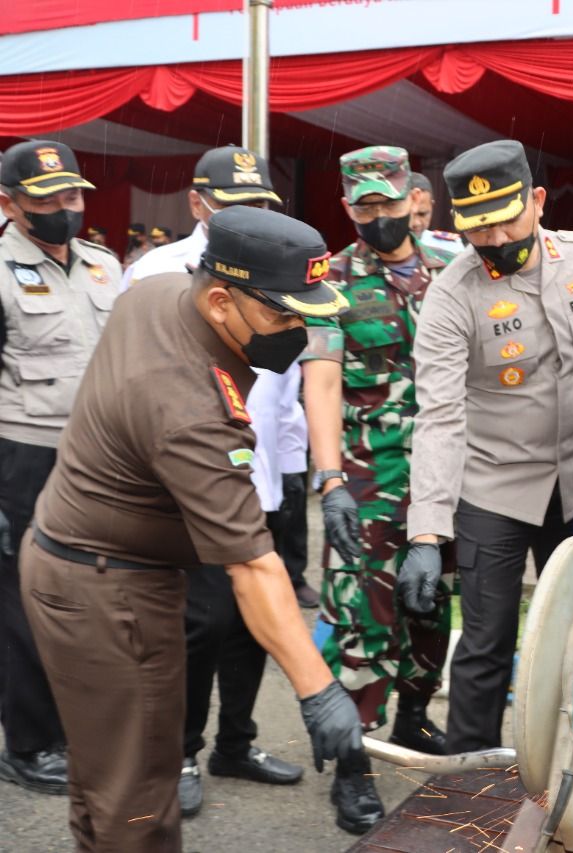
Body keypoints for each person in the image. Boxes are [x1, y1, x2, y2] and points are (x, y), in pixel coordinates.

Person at [21, 205, 365, 851]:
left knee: (106, 779)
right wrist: (318, 691)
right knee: (138, 803)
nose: (297, 330)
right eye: (282, 313)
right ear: (217, 300)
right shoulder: (187, 407)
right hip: (108, 592)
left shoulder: (156, 291)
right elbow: (253, 565)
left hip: (81, 561)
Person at [120, 146, 312, 818]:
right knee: (197, 623)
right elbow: (130, 381)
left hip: (260, 475)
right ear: (198, 204)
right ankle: (178, 752)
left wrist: (292, 475)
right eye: (234, 203)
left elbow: (284, 391)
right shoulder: (158, 272)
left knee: (252, 623)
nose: (250, 215)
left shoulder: (279, 266)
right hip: (189, 480)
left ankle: (237, 742)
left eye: (260, 203)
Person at [407, 138, 573, 753]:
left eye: (506, 219)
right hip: (492, 486)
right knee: (485, 645)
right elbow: (439, 415)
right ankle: (471, 790)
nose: (495, 238)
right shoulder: (451, 295)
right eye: (479, 228)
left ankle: (570, 777)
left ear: (538, 201)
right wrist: (426, 534)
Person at [301, 146, 456, 824]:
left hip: (446, 476)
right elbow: (324, 379)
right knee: (363, 621)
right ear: (348, 208)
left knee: (431, 610)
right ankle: (354, 762)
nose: (379, 216)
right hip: (368, 478)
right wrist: (331, 477)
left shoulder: (455, 267)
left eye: (388, 204)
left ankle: (414, 720)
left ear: (410, 200)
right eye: (364, 206)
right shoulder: (329, 279)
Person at [0, 140, 119, 797]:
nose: (63, 210)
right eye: (46, 200)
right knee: (22, 603)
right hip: (21, 454)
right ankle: (27, 741)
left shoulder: (103, 266)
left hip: (95, 456)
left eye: (71, 196)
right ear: (10, 204)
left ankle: (72, 724)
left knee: (85, 598)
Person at [409, 171, 463, 256]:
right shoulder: (382, 250)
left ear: (432, 206)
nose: (415, 223)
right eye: (409, 215)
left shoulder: (450, 247)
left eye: (422, 214)